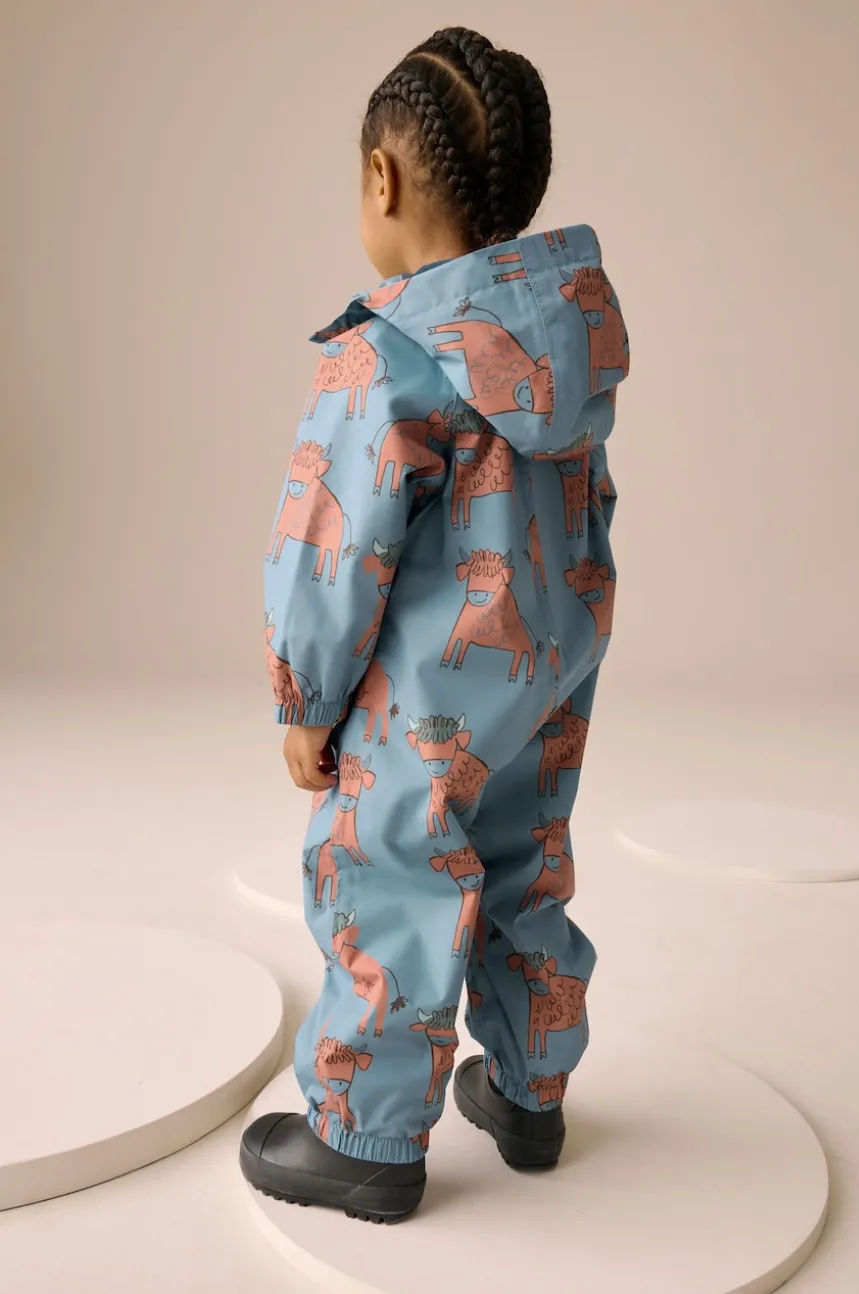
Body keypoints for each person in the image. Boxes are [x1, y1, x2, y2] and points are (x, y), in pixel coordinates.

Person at [240, 26, 629, 1223]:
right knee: (525, 857)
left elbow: (330, 544)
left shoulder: (383, 359)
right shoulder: (565, 348)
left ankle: (364, 1140)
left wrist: (306, 701)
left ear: (383, 177)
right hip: (547, 668)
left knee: (386, 871)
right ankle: (527, 1092)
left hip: (424, 696)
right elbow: (588, 505)